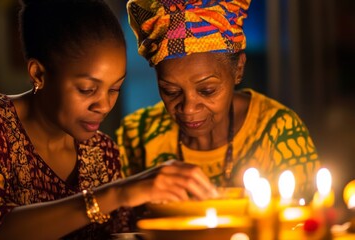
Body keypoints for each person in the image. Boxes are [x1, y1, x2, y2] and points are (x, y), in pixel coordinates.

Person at [0, 0, 216, 239]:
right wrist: (117, 193)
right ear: (39, 74)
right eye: (87, 89)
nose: (103, 104)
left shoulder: (101, 153)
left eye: (114, 88)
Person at [117, 0, 320, 199]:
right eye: (170, 91)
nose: (188, 109)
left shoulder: (276, 132)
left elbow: (308, 225)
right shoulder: (137, 135)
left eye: (207, 90)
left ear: (238, 70)